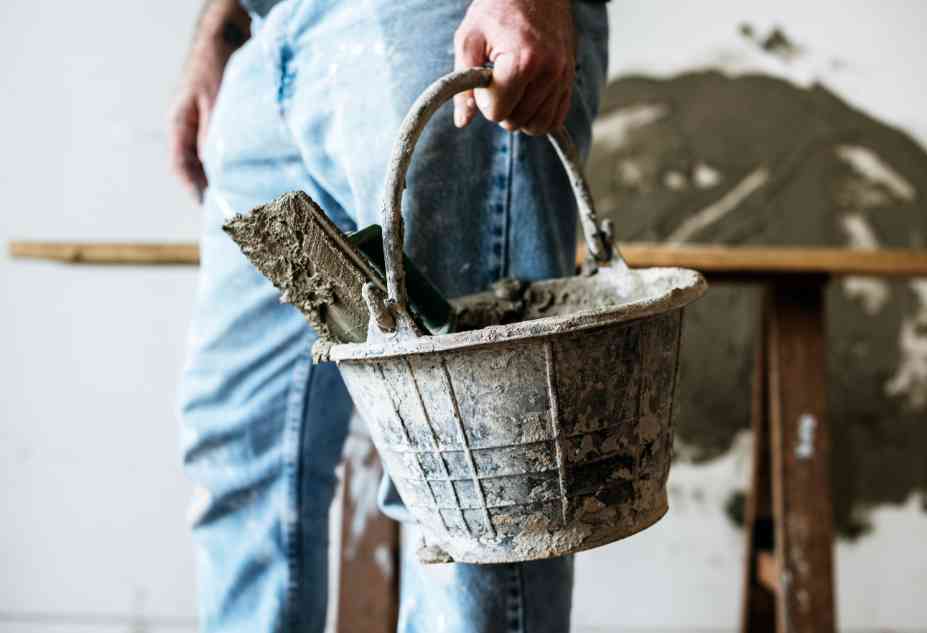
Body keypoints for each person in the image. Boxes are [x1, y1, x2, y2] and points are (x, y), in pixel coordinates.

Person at [169, 0, 608, 631]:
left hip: (436, 24)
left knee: (478, 484)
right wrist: (221, 26)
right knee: (241, 452)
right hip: (271, 38)